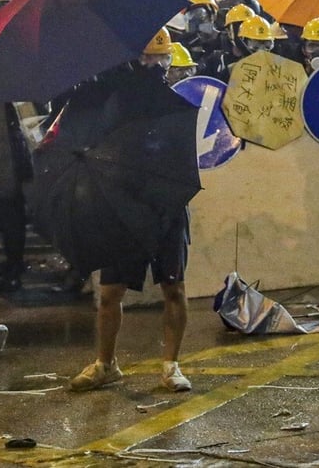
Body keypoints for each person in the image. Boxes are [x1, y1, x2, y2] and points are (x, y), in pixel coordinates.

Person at [69, 28, 193, 392]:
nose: (155, 64)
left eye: (161, 58)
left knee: (174, 288)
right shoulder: (114, 99)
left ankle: (171, 365)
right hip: (124, 208)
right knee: (110, 293)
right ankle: (106, 364)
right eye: (148, 57)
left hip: (166, 207)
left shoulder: (176, 103)